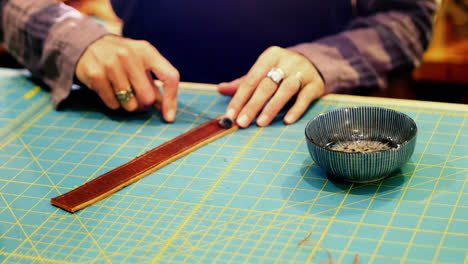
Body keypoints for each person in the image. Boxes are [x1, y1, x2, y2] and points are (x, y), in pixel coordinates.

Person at [0, 0, 437, 128]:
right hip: (136, 113)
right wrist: (76, 40)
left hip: (311, 122)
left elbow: (408, 17)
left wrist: (322, 61)